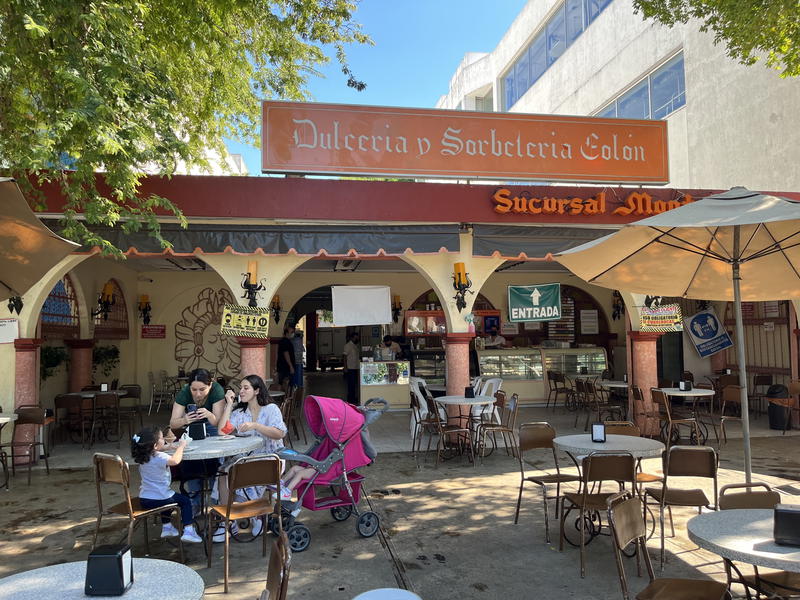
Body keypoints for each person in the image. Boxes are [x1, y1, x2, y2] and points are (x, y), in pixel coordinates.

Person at [211, 374, 288, 541]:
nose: (242, 391)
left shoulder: (270, 409)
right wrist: (229, 405)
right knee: (223, 472)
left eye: (246, 388)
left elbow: (279, 433)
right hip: (246, 460)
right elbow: (221, 431)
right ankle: (228, 522)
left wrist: (256, 425)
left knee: (234, 473)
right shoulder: (240, 412)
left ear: (257, 390)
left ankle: (255, 515)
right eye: (241, 388)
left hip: (269, 460)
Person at [131, 426, 203, 543]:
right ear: (155, 445)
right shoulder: (160, 457)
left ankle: (167, 527)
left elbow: (157, 450)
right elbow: (175, 461)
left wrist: (169, 446)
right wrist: (181, 446)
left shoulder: (142, 457)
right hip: (161, 497)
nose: (163, 439)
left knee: (167, 499)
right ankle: (189, 530)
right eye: (161, 438)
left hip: (145, 499)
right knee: (184, 501)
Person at [169, 368, 227, 436]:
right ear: (189, 386)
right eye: (194, 389)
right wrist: (184, 420)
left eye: (202, 389)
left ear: (210, 385)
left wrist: (210, 415)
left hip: (213, 426)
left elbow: (220, 424)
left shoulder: (217, 390)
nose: (198, 394)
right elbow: (172, 424)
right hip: (192, 425)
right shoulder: (184, 392)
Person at [342, 332, 361, 406]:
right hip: (350, 368)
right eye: (356, 337)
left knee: (354, 384)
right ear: (352, 338)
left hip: (355, 367)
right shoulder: (348, 346)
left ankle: (353, 397)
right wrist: (345, 367)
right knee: (351, 384)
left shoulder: (355, 346)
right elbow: (344, 356)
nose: (357, 339)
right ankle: (350, 399)